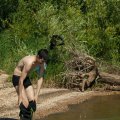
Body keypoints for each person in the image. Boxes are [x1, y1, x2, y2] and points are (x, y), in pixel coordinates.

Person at [12, 49, 48, 120]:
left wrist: (36, 95)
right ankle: (24, 117)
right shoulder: (29, 62)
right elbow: (21, 80)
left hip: (26, 78)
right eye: (42, 61)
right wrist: (20, 97)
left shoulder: (41, 63)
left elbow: (40, 78)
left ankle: (28, 118)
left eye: (44, 61)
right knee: (24, 104)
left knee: (33, 103)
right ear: (38, 57)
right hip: (17, 78)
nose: (43, 63)